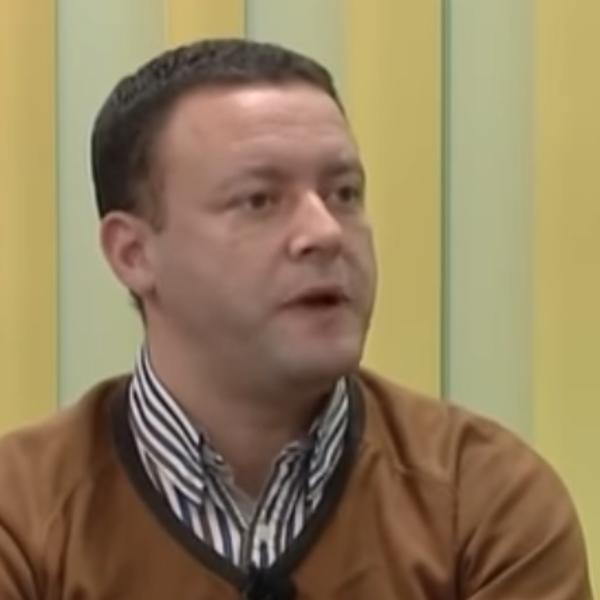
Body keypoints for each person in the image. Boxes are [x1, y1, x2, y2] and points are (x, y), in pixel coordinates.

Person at [0, 39, 592, 599]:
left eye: (344, 194)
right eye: (259, 200)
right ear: (134, 254)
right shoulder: (21, 514)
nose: (325, 232)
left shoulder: (483, 498)